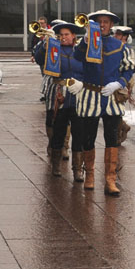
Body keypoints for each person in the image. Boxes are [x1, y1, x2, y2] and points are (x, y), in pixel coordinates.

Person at [66, 10, 135, 195]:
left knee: (112, 138)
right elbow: (77, 58)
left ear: (111, 25)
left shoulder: (119, 46)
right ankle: (89, 175)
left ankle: (110, 180)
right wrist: (86, 41)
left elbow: (128, 70)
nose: (103, 24)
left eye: (106, 22)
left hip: (111, 96)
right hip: (90, 94)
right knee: (88, 137)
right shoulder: (85, 43)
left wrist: (118, 83)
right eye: (99, 22)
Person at [43, 20, 82, 175]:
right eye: (61, 35)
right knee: (58, 131)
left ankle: (78, 169)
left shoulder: (80, 51)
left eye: (67, 34)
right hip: (59, 95)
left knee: (79, 133)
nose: (63, 37)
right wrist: (47, 42)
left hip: (78, 95)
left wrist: (82, 82)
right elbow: (40, 58)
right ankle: (56, 165)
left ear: (73, 36)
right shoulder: (54, 49)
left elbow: (88, 69)